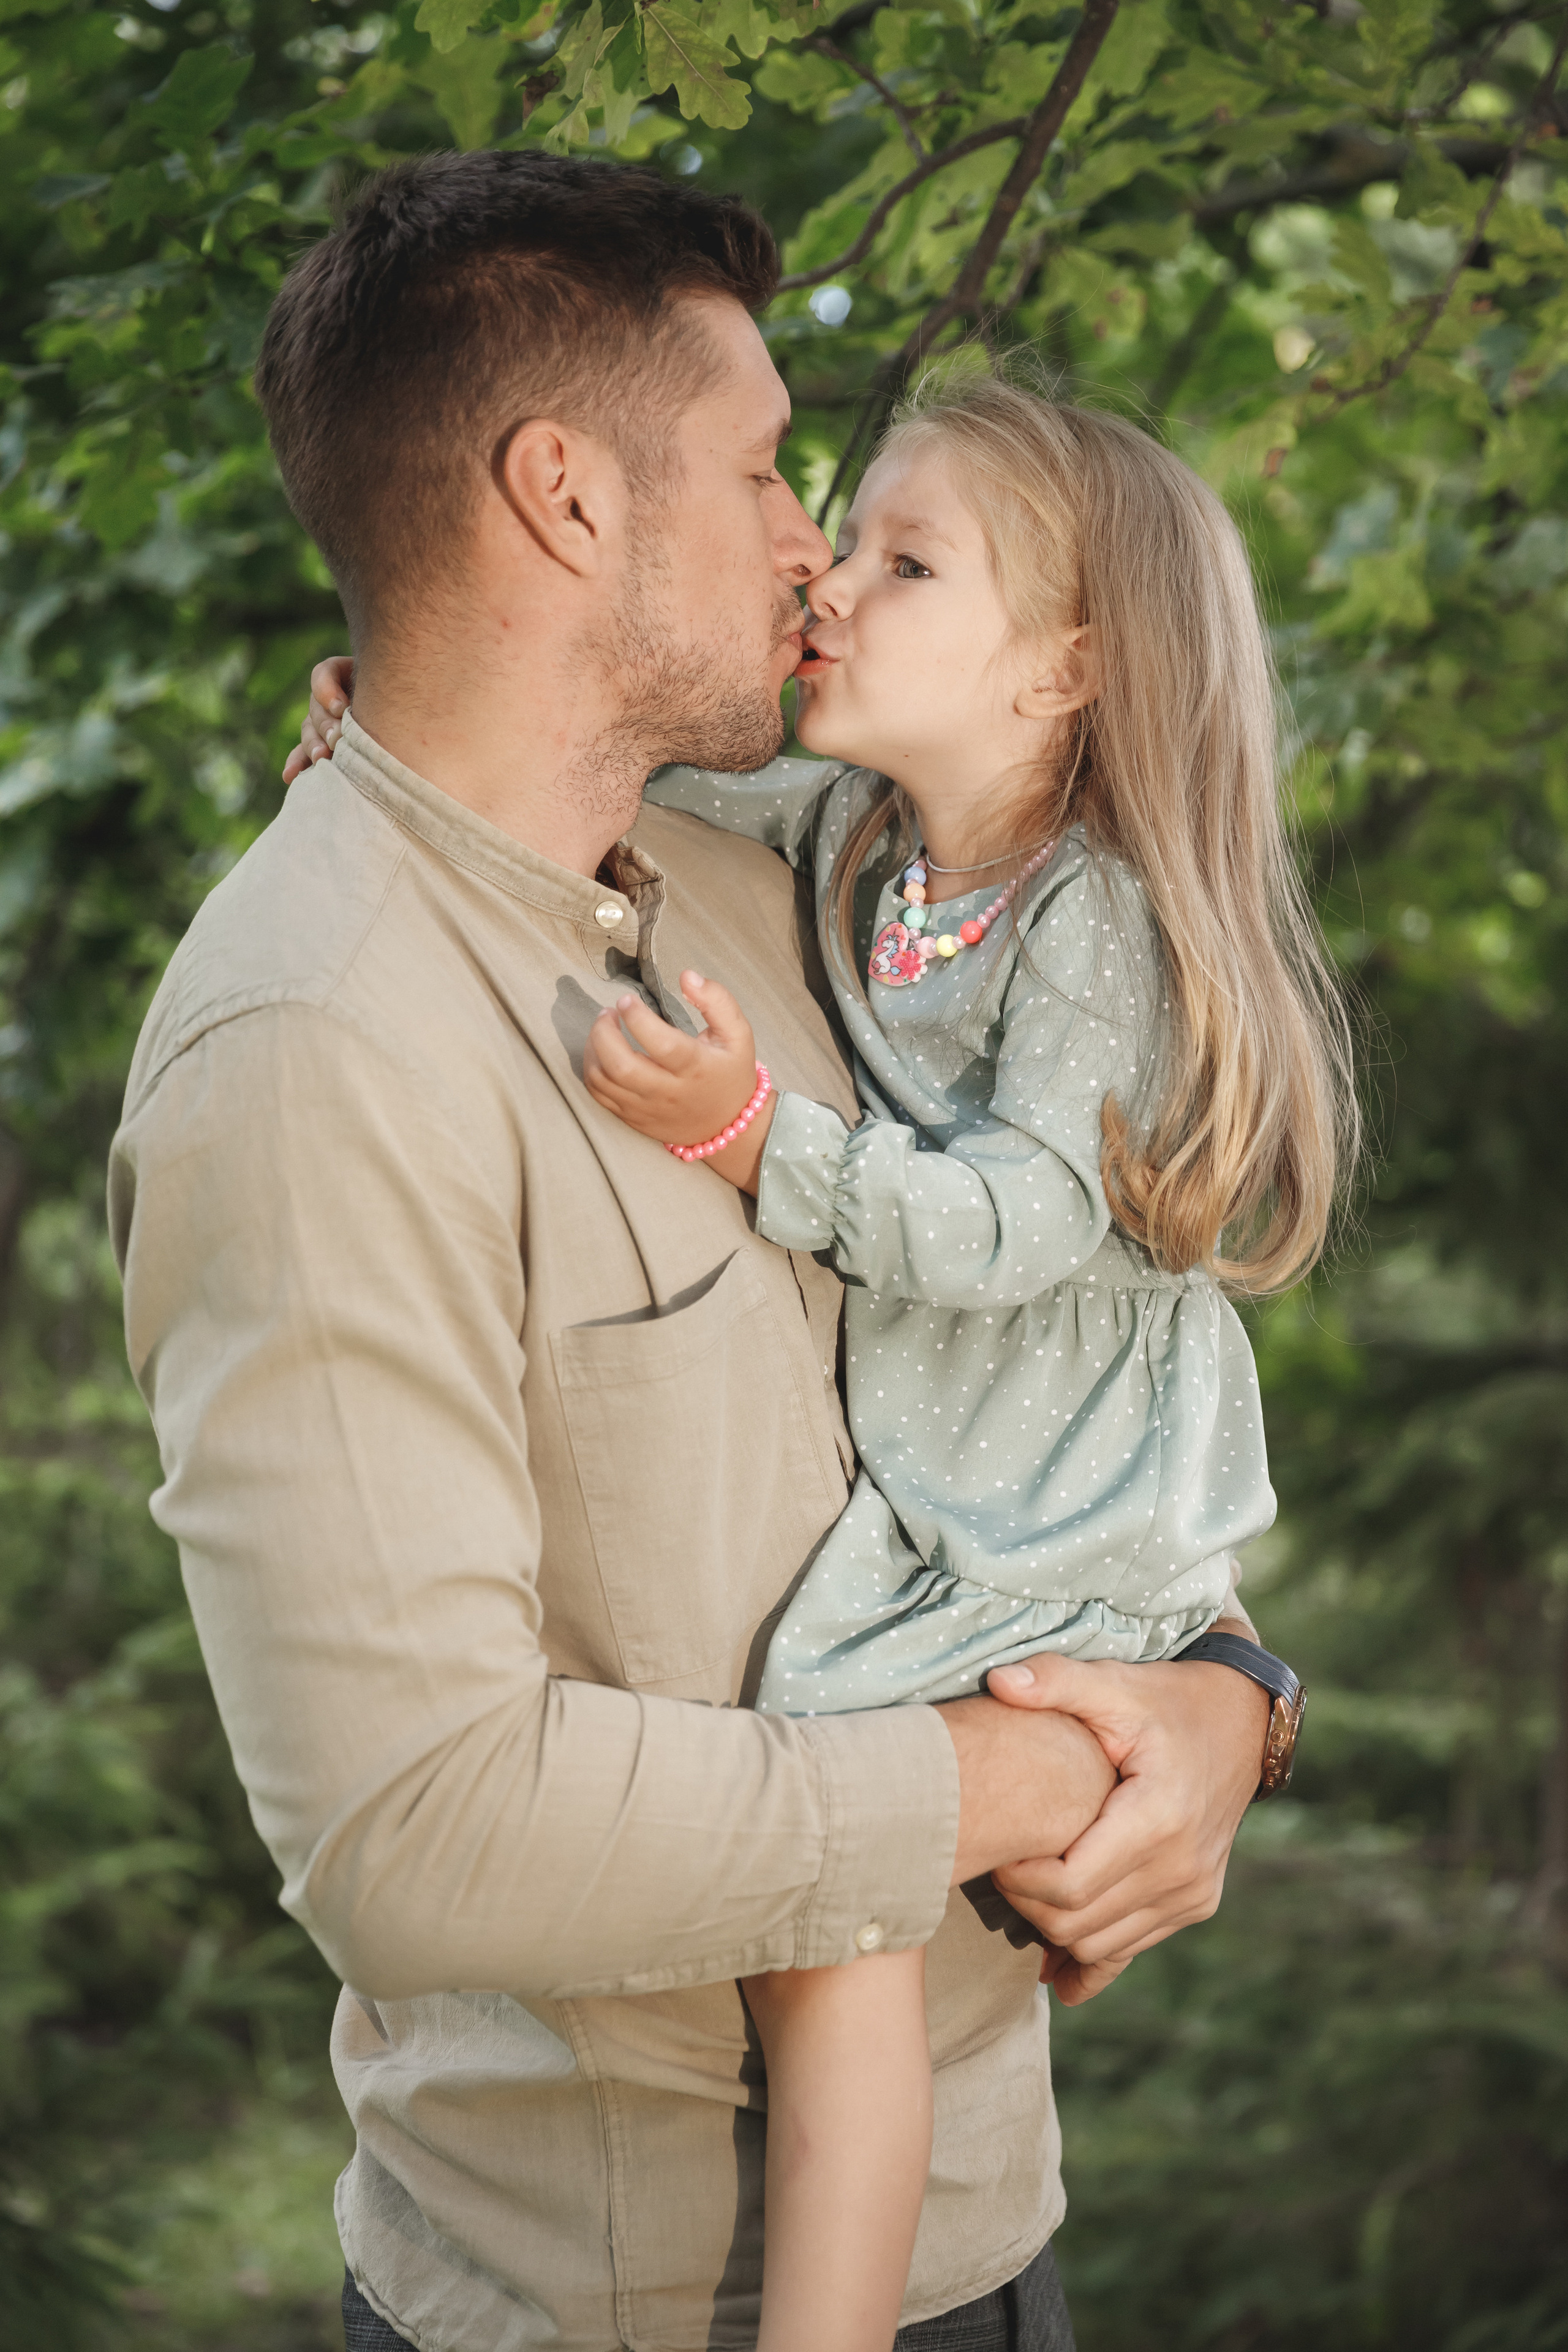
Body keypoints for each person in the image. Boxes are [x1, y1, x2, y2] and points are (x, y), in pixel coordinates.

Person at [115, 149, 1289, 2352]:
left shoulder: (788, 888)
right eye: (765, 473)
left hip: (993, 2230)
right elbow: (420, 1829)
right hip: (633, 2307)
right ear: (565, 498)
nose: (808, 558)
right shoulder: (318, 1047)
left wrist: (1225, 1704)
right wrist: (1041, 1773)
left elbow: (1050, 1370)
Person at [573, 369, 1350, 2350]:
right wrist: (384, 715)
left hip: (1057, 1472)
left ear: (1063, 670)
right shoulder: (856, 833)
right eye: (845, 529)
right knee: (835, 1919)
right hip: (954, 1458)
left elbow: (1016, 1228)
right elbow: (623, 772)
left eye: (906, 561)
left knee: (834, 1923)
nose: (831, 570)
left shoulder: (1090, 914)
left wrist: (762, 1147)